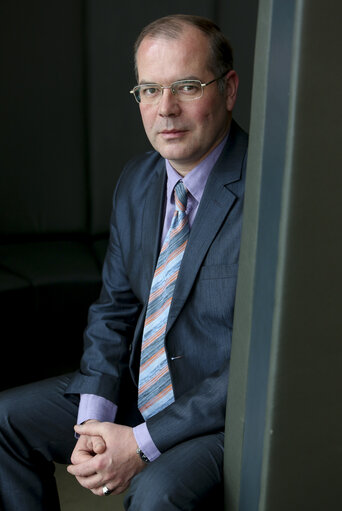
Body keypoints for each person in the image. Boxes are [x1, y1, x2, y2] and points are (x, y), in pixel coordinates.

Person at [0, 14, 248, 511]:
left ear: (228, 89)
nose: (166, 109)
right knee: (6, 419)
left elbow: (258, 362)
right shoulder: (137, 181)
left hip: (220, 413)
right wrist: (93, 419)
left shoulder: (270, 191)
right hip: (144, 390)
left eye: (187, 86)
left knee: (158, 494)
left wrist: (140, 443)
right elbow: (115, 309)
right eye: (149, 91)